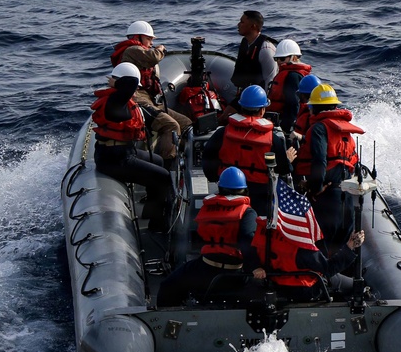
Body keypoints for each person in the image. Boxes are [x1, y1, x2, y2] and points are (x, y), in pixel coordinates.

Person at [156, 167, 259, 306]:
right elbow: (247, 237)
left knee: (167, 286)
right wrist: (255, 267)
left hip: (206, 268)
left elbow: (200, 234)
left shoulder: (208, 206)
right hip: (234, 273)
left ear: (220, 188)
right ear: (244, 189)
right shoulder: (248, 212)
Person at [91, 62, 173, 233]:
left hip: (124, 152)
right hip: (114, 159)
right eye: (135, 87)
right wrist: (120, 81)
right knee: (163, 178)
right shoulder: (115, 101)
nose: (136, 91)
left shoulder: (123, 101)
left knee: (158, 161)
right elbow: (129, 84)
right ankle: (157, 225)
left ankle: (150, 210)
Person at [251, 185, 365, 302]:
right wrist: (350, 246)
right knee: (355, 286)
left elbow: (250, 253)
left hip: (275, 284)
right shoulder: (301, 244)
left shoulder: (262, 234)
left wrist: (256, 267)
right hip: (305, 288)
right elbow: (328, 269)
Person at [201, 85, 296, 216]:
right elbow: (283, 169)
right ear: (262, 110)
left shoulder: (222, 133)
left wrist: (216, 178)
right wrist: (288, 160)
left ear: (241, 107)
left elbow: (207, 160)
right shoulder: (272, 139)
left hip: (228, 191)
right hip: (259, 195)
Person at [293, 83, 365, 252]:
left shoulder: (319, 128)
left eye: (311, 107)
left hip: (327, 201)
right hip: (346, 198)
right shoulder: (344, 130)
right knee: (341, 249)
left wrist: (315, 189)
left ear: (316, 108)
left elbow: (320, 161)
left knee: (320, 250)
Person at [110, 20, 192, 163]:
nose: (151, 43)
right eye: (148, 39)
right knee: (171, 125)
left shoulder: (139, 52)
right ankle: (166, 163)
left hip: (149, 98)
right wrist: (160, 49)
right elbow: (154, 57)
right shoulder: (132, 50)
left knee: (186, 122)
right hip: (137, 99)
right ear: (137, 37)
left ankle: (182, 156)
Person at [265, 39, 312, 135]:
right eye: (276, 59)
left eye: (282, 58)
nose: (278, 61)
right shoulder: (289, 74)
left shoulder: (293, 76)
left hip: (284, 125)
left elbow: (293, 104)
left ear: (294, 58)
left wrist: (285, 128)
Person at [230, 10, 277, 93]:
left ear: (253, 26)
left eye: (242, 22)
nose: (238, 24)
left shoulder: (266, 49)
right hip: (245, 92)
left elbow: (270, 79)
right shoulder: (245, 42)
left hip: (259, 95)